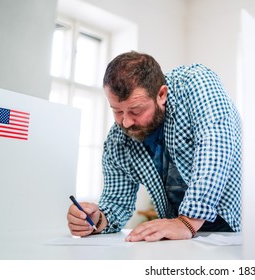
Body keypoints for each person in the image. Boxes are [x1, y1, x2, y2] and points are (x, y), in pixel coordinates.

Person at [67, 51, 242, 241]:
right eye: (117, 111)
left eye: (136, 110)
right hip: (181, 236)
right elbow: (116, 202)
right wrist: (98, 220)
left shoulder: (195, 82)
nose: (125, 122)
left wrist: (187, 221)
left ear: (161, 94)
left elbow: (215, 148)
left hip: (238, 226)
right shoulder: (117, 141)